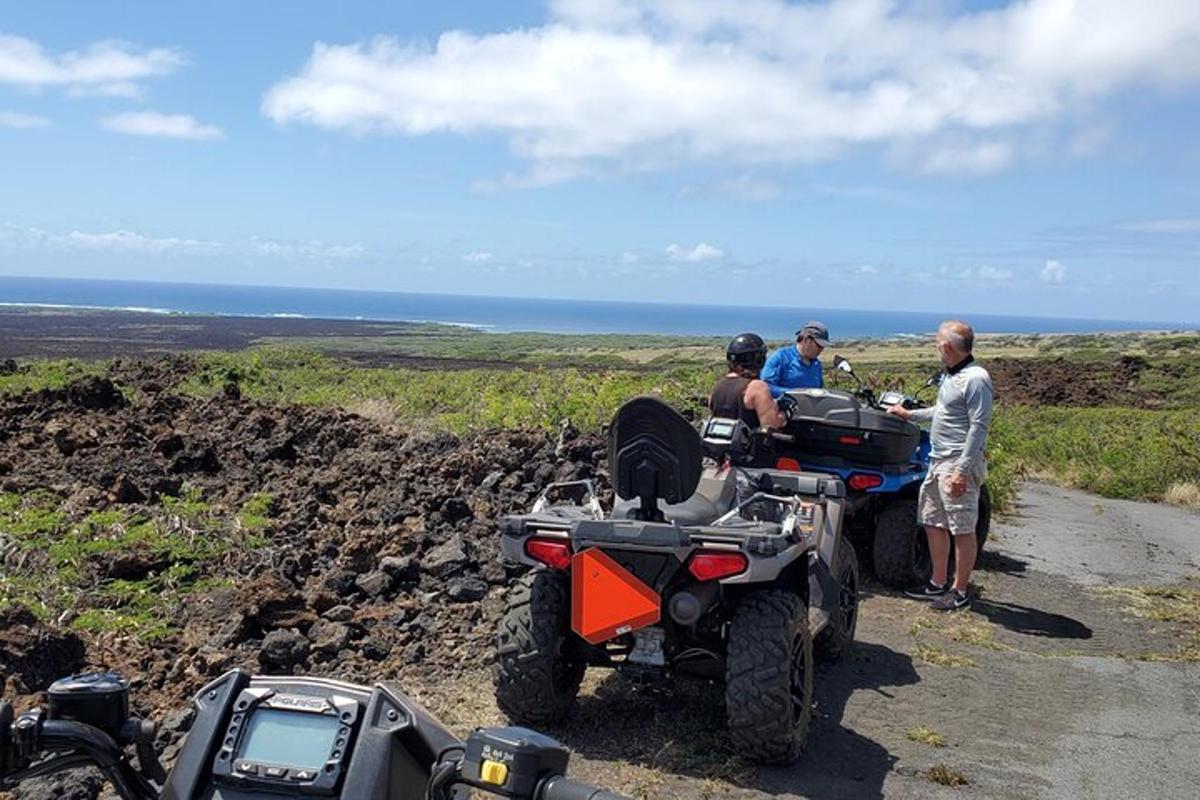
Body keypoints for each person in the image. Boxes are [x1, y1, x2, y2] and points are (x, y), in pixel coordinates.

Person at [888, 320, 993, 612]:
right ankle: (937, 582)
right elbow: (943, 411)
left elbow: (979, 427)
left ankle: (959, 591)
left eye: (937, 344)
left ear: (947, 346)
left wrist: (962, 469)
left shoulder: (975, 378)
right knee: (933, 521)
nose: (936, 348)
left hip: (957, 462)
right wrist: (909, 414)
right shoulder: (952, 376)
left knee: (961, 528)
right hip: (937, 460)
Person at [709, 332, 787, 430]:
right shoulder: (757, 387)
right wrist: (785, 414)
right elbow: (771, 425)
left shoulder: (718, 386)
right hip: (748, 444)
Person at [761, 321, 830, 398]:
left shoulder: (816, 364)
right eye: (819, 345)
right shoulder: (781, 357)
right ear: (807, 340)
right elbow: (765, 387)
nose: (821, 350)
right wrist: (795, 394)